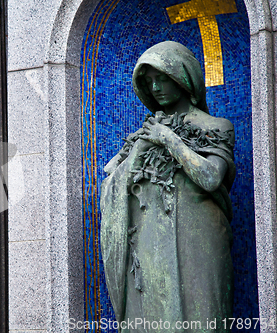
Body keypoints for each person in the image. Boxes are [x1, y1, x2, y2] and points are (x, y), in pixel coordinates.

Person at [100, 41, 234, 332]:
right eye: (149, 82)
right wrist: (140, 149)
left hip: (198, 239)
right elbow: (110, 182)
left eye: (162, 78)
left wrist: (169, 139)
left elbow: (211, 178)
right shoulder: (143, 134)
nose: (156, 87)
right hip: (151, 240)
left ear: (183, 78)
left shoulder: (216, 126)